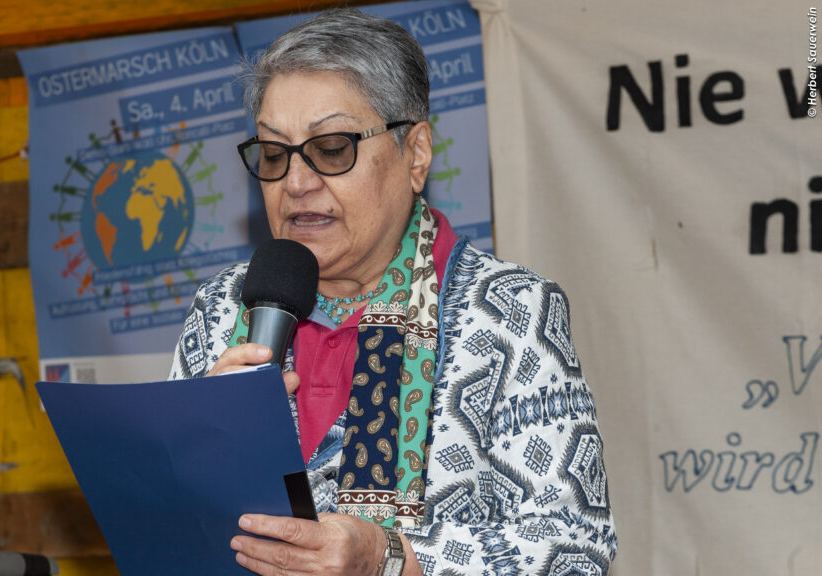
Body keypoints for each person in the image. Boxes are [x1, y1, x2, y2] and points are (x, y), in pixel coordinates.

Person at [169, 8, 617, 575]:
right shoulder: (222, 309)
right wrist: (193, 450)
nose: (296, 183)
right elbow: (164, 524)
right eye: (275, 154)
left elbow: (576, 548)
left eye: (333, 148)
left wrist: (391, 559)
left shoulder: (507, 310)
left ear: (416, 154)